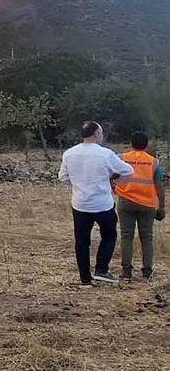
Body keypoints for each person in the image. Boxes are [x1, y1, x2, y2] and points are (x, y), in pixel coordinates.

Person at [59, 121, 134, 285]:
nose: (101, 135)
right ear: (96, 134)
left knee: (82, 241)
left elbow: (63, 177)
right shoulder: (105, 154)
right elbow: (128, 170)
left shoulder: (69, 153)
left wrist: (79, 184)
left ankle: (85, 278)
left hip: (80, 204)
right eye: (101, 133)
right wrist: (112, 177)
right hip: (102, 204)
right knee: (109, 235)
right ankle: (101, 269)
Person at [116, 131, 165, 281]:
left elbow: (111, 176)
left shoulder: (122, 159)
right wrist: (162, 207)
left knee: (126, 237)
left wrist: (115, 189)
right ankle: (147, 273)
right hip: (147, 204)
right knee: (147, 238)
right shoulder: (154, 162)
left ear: (131, 144)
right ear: (147, 145)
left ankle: (126, 272)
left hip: (125, 202)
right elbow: (159, 187)